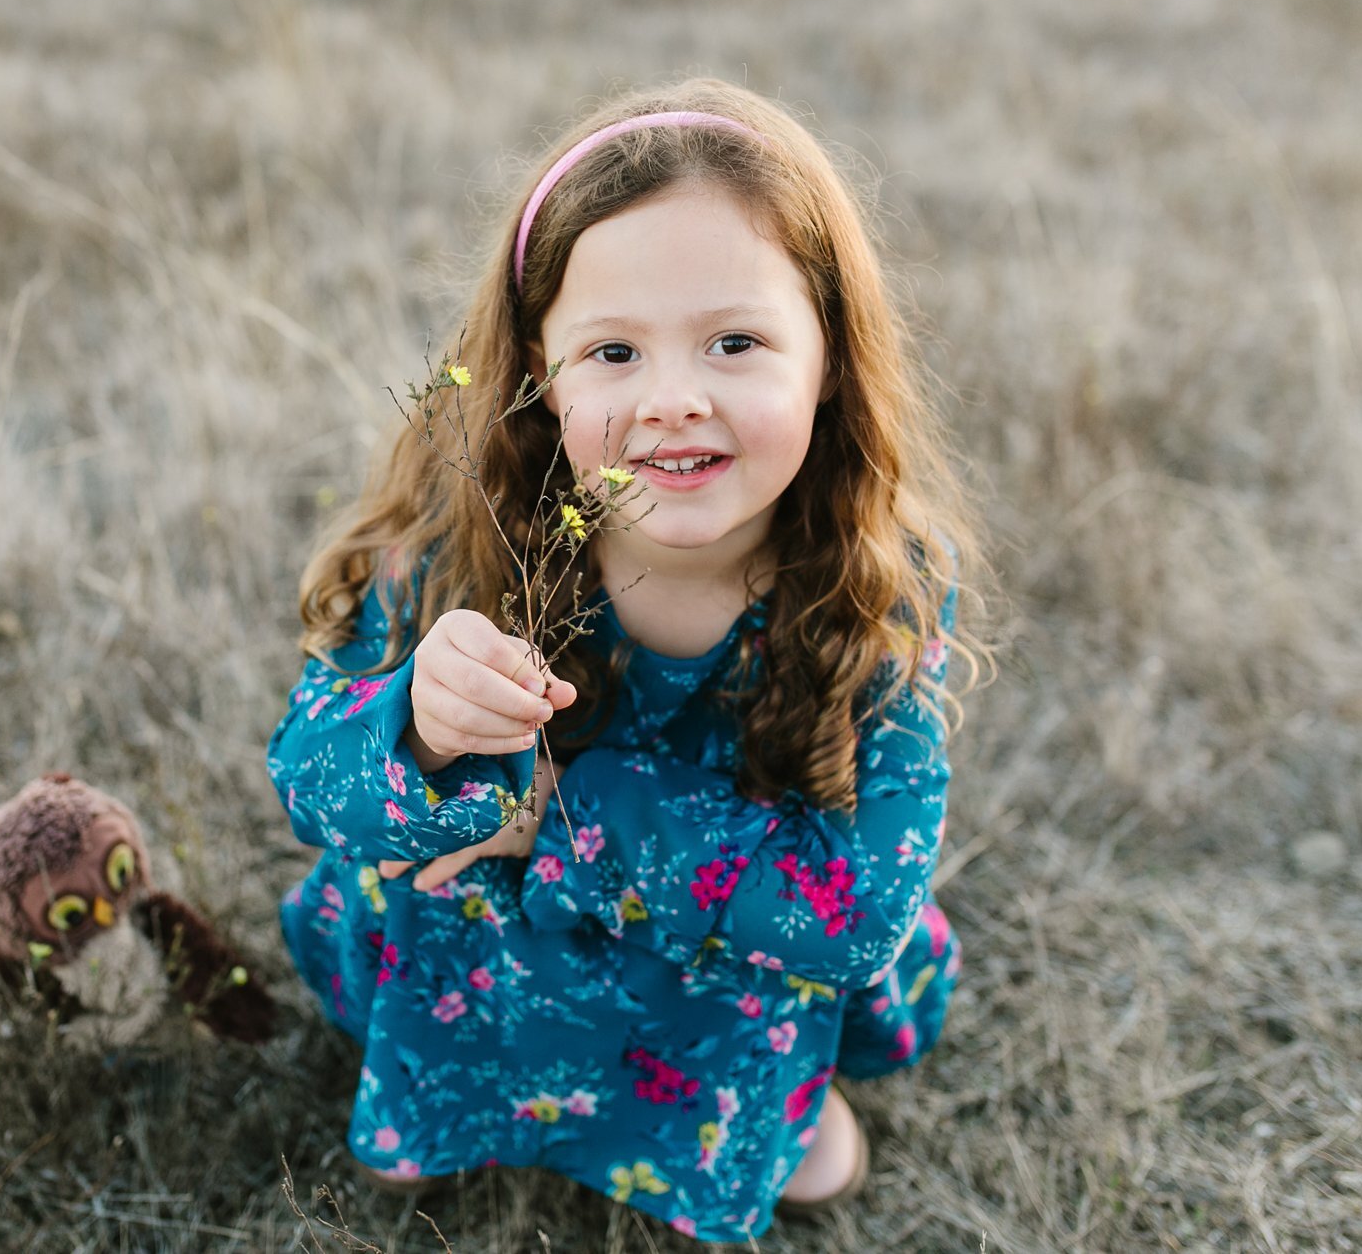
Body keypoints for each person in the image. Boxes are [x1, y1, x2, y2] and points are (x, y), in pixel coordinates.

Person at [267, 77, 989, 1244]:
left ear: (830, 361)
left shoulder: (877, 581)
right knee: (430, 901)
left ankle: (759, 1106)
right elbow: (308, 783)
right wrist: (416, 724)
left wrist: (552, 812)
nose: (671, 400)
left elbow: (857, 910)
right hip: (497, 952)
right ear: (538, 382)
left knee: (789, 1086)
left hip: (710, 956)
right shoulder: (461, 549)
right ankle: (450, 1101)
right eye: (611, 351)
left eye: (735, 341)